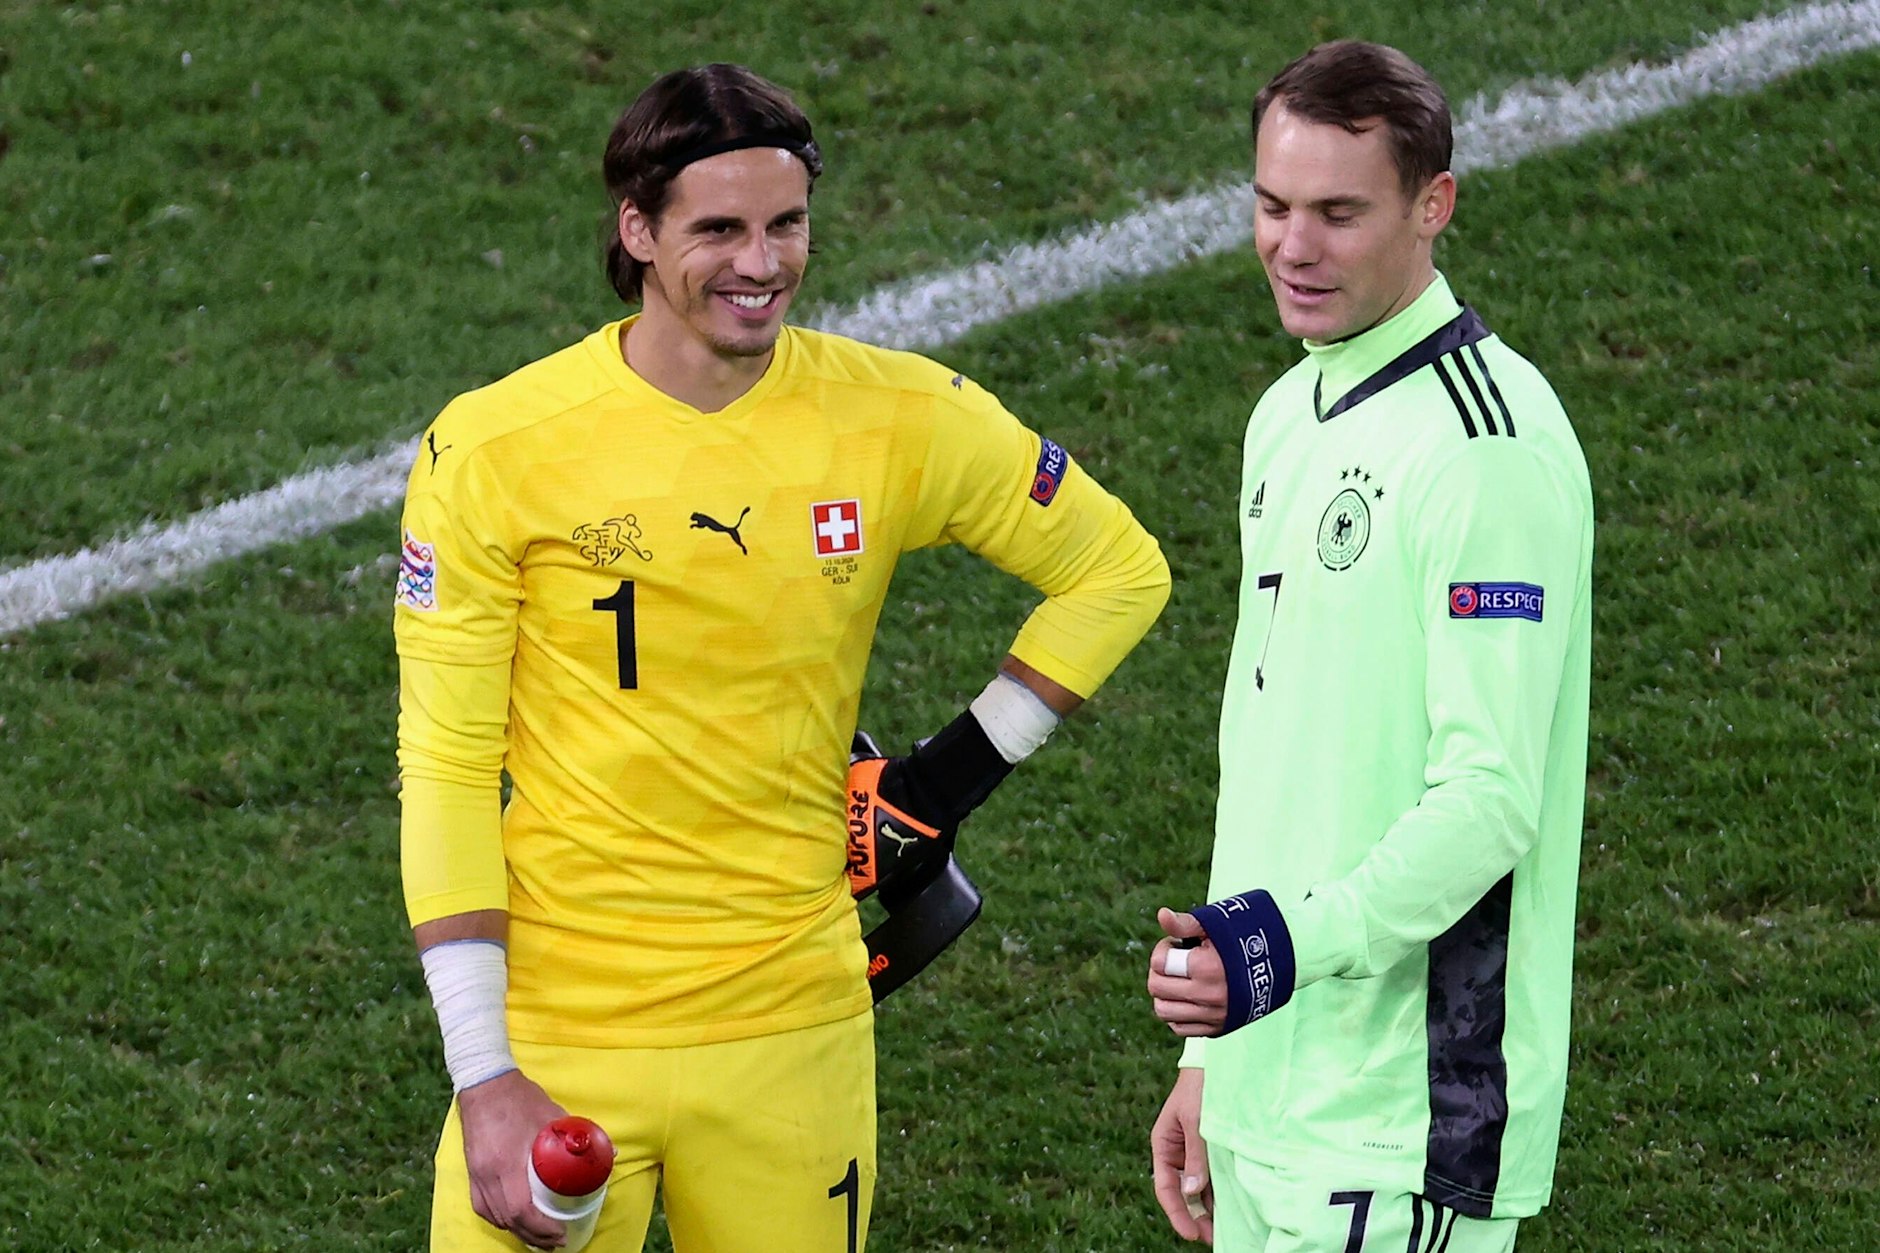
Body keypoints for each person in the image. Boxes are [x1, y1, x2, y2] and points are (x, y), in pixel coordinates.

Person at [393, 63, 1169, 1253]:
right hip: (558, 1034)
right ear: (637, 229)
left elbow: (1116, 567)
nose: (760, 263)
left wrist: (940, 782)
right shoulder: (496, 449)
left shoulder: (895, 414)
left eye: (785, 224)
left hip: (792, 1029)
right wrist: (485, 1072)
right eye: (718, 229)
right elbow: (445, 767)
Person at [1145, 41, 1594, 1252]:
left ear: (1430, 206)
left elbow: (1489, 800)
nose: (1293, 246)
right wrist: (1213, 1055)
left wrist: (1280, 950)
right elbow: (1276, 757)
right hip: (1267, 1087)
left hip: (1402, 1126)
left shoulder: (1481, 453)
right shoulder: (1290, 409)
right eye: (1271, 205)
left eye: (1337, 213)